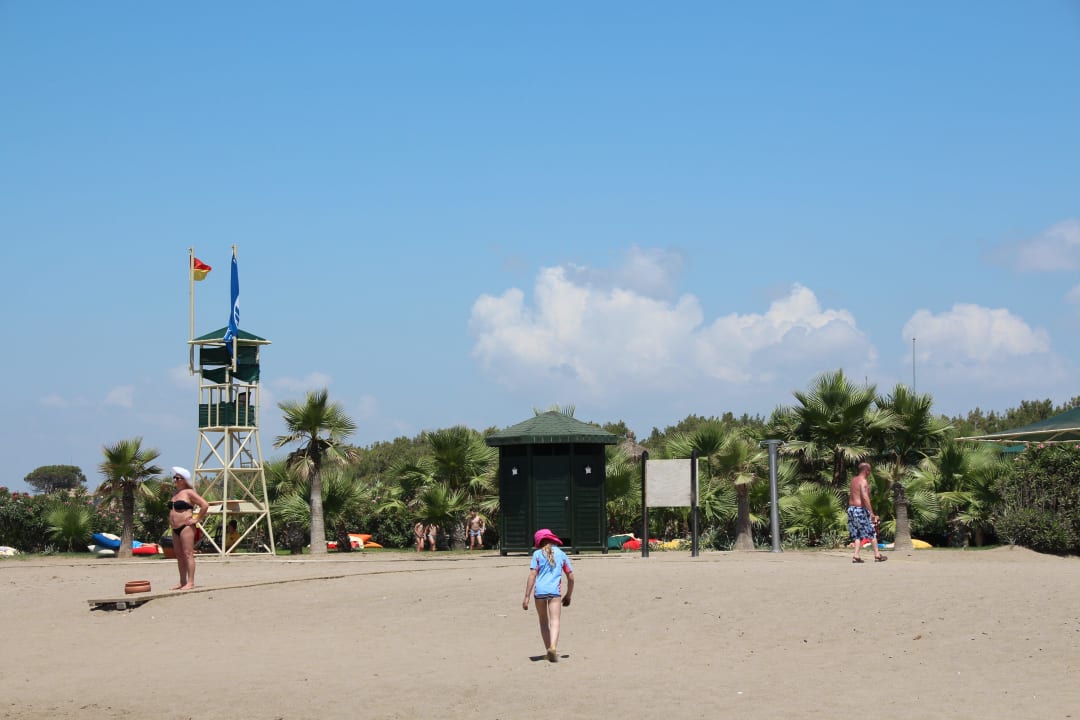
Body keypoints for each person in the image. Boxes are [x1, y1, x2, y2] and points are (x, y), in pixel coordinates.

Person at [522, 528, 574, 662]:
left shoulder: (537, 554)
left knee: (543, 622)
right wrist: (568, 595)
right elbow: (571, 577)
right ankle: (553, 647)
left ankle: (548, 650)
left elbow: (532, 575)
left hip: (539, 591)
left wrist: (526, 596)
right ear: (552, 539)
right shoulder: (561, 554)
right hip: (554, 592)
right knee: (555, 620)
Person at [168, 467, 210, 589]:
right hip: (175, 528)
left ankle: (190, 582)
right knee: (179, 555)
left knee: (188, 554)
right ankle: (182, 581)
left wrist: (196, 519)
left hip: (186, 527)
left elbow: (204, 505)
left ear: (184, 480)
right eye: (174, 478)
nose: (175, 480)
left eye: (177, 478)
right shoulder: (175, 493)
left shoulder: (189, 492)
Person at [848, 462, 886, 564]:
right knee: (871, 532)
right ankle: (877, 555)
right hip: (860, 509)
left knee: (857, 534)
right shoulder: (863, 481)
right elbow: (865, 497)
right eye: (869, 471)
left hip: (851, 509)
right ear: (866, 471)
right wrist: (871, 513)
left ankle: (856, 556)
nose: (870, 473)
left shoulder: (853, 480)